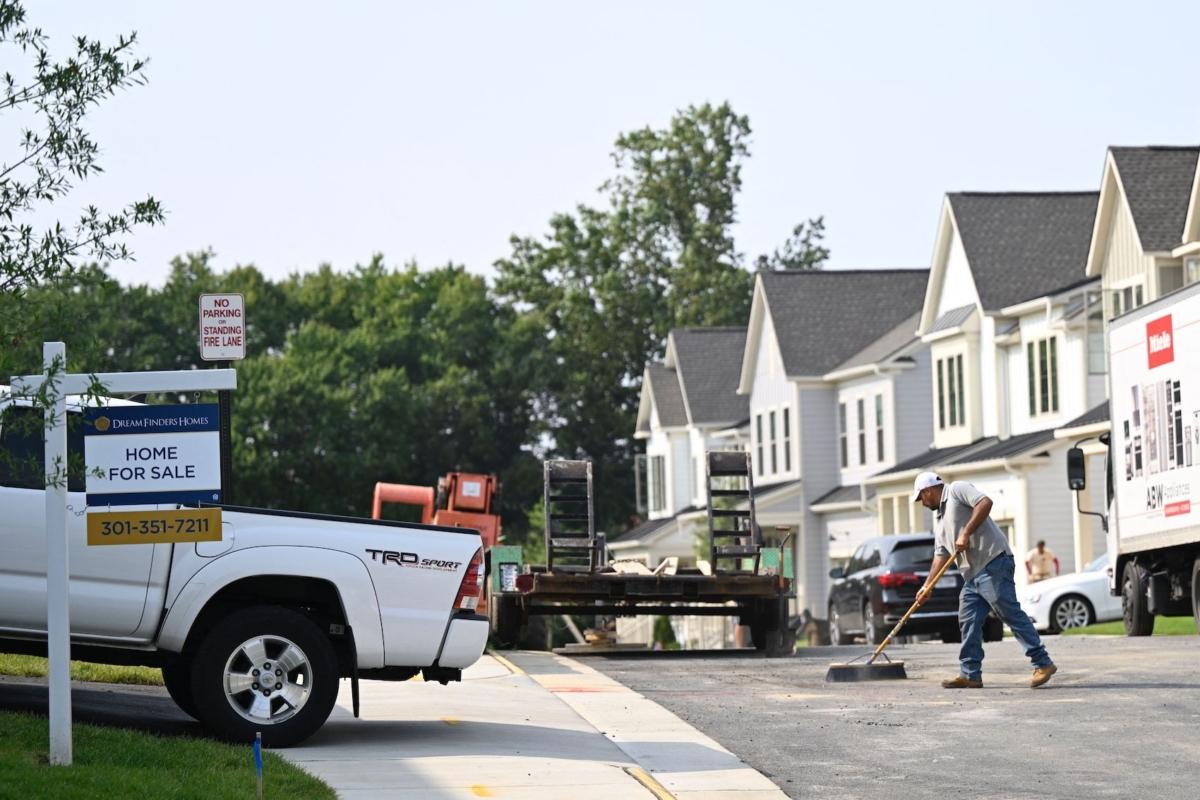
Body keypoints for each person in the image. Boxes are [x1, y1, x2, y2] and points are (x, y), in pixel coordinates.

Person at [911, 472, 1057, 689]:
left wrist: (966, 533)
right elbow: (940, 555)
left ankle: (1043, 663)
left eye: (921, 498)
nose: (922, 503)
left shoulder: (957, 490)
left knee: (1008, 613)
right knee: (967, 619)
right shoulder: (940, 520)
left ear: (928, 491)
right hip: (972, 575)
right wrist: (927, 586)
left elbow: (985, 502)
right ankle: (970, 673)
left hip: (993, 562)